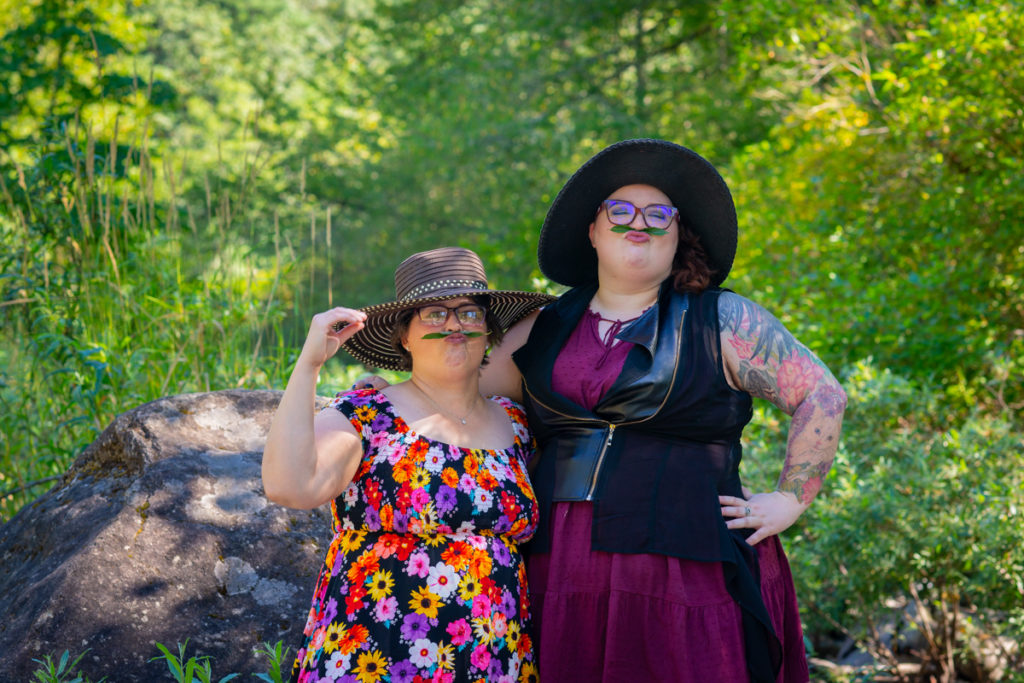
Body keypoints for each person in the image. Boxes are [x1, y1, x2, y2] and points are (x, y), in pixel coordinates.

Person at [478, 139, 848, 682]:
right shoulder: (542, 326)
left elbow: (823, 394)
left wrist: (791, 498)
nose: (639, 224)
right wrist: (379, 398)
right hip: (557, 566)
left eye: (659, 215)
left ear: (679, 235)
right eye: (620, 211)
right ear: (593, 231)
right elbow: (466, 405)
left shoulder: (722, 319)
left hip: (686, 567)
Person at [262, 246, 555, 683]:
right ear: (404, 336)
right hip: (378, 654)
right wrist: (310, 364)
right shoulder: (368, 412)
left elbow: (560, 318)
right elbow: (291, 486)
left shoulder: (515, 422)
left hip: (492, 658)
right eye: (435, 314)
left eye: (471, 313)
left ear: (489, 331)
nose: (455, 324)